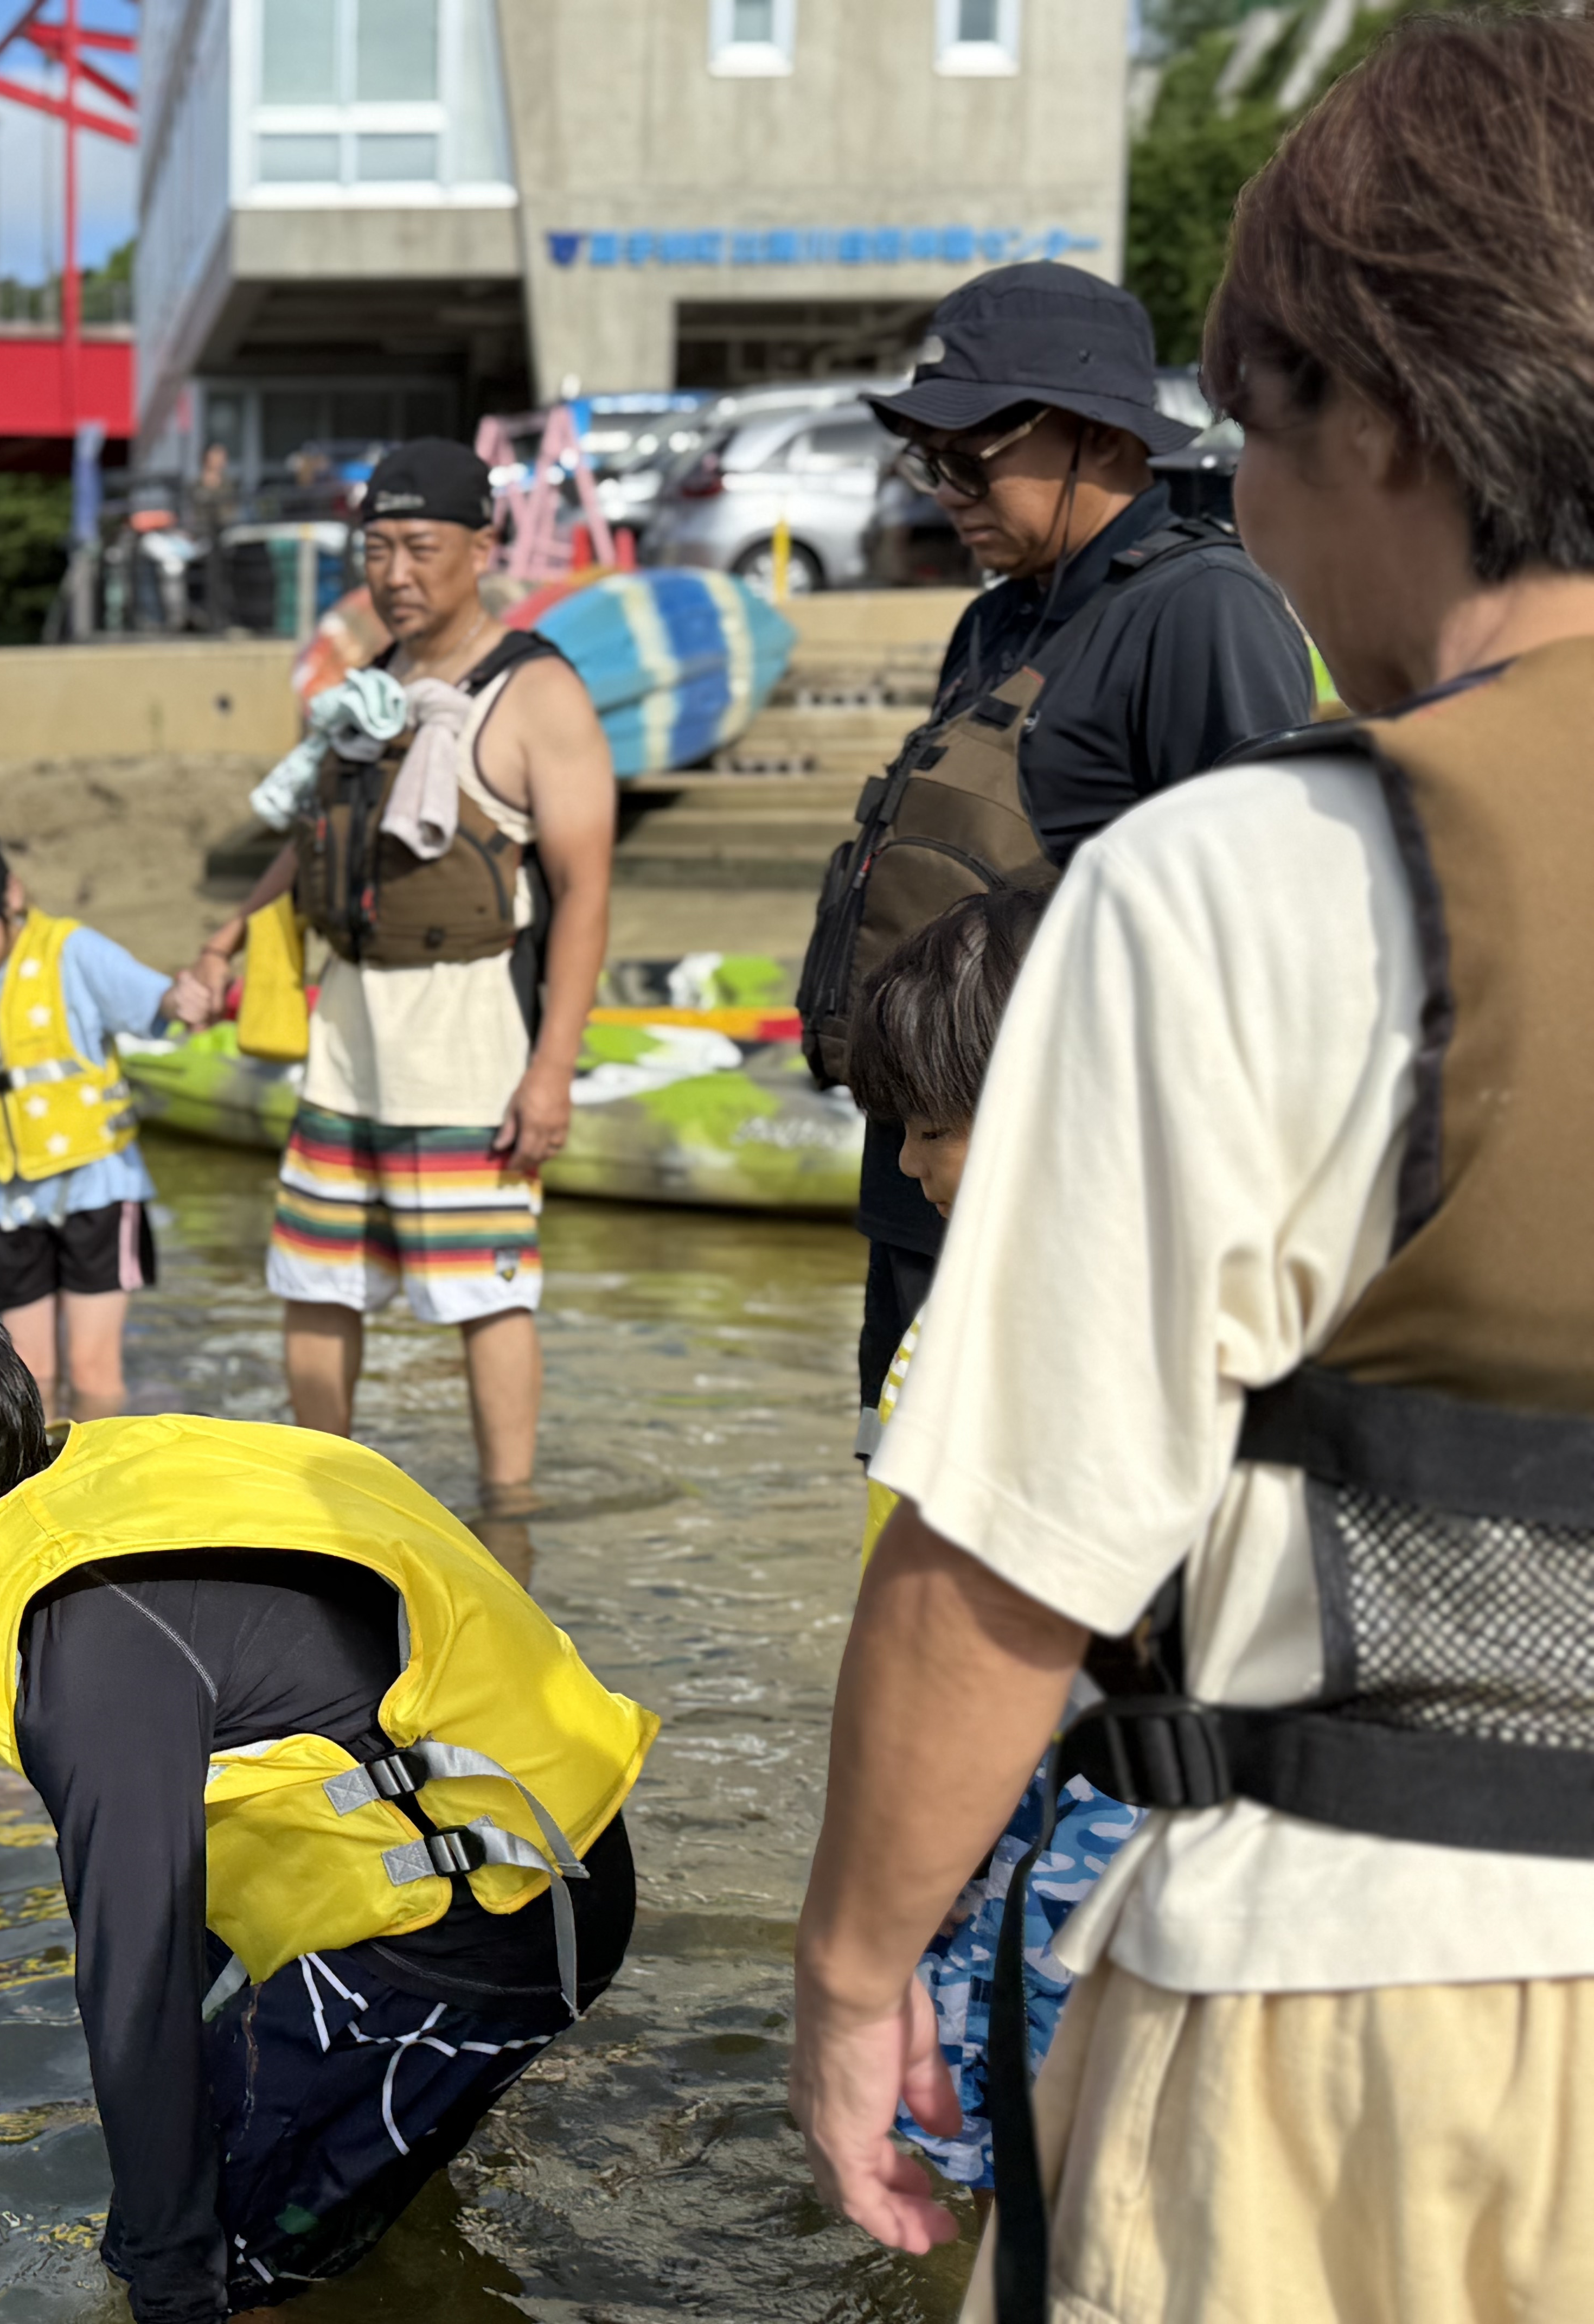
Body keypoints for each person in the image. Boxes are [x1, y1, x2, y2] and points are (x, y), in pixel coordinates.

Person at [794, 16, 1594, 2316]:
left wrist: (852, 1968)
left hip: (1354, 1980)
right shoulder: (1052, 657)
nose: (1242, 493)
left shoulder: (1250, 866)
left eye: (1254, 430)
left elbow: (1008, 1547)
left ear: (1384, 407)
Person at [0, 1282, 654, 2324]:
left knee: (210, 2259)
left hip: (491, 1927)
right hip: (551, 1850)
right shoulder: (90, 1487)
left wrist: (174, 2289)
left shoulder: (83, 1654)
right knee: (212, 2176)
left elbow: (135, 1983)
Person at [803, 260, 1317, 1431]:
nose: (945, 489)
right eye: (927, 461)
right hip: (917, 1180)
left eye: (970, 456)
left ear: (1092, 435)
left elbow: (1266, 931)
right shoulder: (996, 620)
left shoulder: (1202, 610)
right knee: (906, 1505)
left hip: (1061, 1198)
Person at [181, 437, 618, 1519]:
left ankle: (507, 1517)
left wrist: (551, 1072)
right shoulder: (366, 690)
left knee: (488, 1291)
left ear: (481, 548)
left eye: (420, 547)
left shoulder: (539, 692)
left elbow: (587, 892)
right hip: (349, 1033)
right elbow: (313, 832)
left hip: (467, 1039)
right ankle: (324, 1501)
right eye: (376, 549)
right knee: (314, 1278)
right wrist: (228, 937)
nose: (395, 573)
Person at [843, 888, 1143, 2198]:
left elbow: (981, 1634)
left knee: (1001, 2134)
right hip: (1034, 1798)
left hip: (1052, 1809)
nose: (910, 1167)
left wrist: (873, 1932)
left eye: (931, 1128)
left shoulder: (1048, 1334)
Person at [0, 822, 184, 1423]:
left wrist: (188, 998)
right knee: (29, 1378)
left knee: (93, 1374)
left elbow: (157, 1003)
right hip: (7, 1197)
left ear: (11, 894)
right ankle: (46, 1492)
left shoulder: (71, 951)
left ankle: (109, 1491)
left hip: (97, 1187)